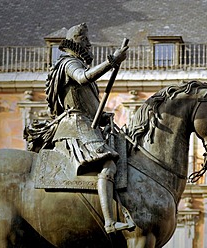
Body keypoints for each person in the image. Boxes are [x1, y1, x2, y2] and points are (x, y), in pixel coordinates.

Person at [45, 23, 130, 233]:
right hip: (75, 126)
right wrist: (111, 62)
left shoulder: (74, 63)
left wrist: (101, 116)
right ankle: (109, 222)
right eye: (86, 41)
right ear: (76, 42)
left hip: (86, 122)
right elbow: (84, 77)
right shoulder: (68, 63)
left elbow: (87, 103)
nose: (90, 45)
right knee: (108, 165)